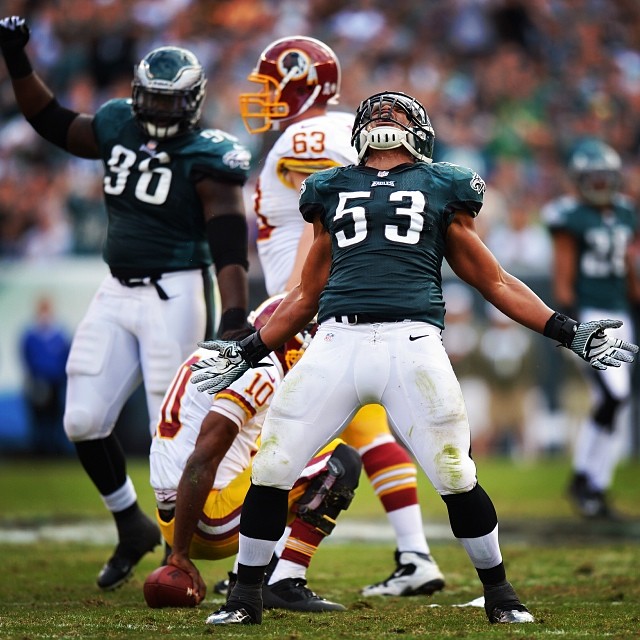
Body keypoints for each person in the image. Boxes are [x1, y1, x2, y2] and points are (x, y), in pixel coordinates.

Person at [189, 91, 638, 626]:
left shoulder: (442, 184)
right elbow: (305, 296)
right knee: (273, 465)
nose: (385, 117)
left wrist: (568, 332)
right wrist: (248, 351)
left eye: (397, 112)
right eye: (376, 111)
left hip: (413, 343)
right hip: (336, 342)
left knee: (454, 472)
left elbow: (492, 279)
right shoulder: (329, 188)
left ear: (419, 131)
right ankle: (245, 597)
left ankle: (500, 593)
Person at [0, 16, 252, 590]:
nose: (160, 112)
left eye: (171, 102)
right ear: (138, 95)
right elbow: (53, 121)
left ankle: (178, 552)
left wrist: (234, 313)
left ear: (191, 102)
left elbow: (228, 239)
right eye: (153, 100)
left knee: (174, 435)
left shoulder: (209, 154)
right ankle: (130, 525)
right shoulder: (116, 123)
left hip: (177, 293)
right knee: (83, 418)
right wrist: (17, 58)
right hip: (115, 290)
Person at [236, 34, 445, 598]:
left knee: (284, 441)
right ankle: (415, 555)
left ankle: (271, 569)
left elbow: (326, 216)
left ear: (303, 81)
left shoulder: (313, 134)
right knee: (367, 429)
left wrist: (298, 300)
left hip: (311, 307)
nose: (262, 96)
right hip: (327, 307)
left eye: (270, 84)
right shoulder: (332, 130)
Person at [150, 293, 361, 612]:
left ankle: (246, 574)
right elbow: (201, 459)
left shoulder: (223, 355)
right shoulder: (260, 369)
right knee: (338, 461)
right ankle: (282, 580)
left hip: (175, 511)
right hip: (202, 517)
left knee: (278, 450)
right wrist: (179, 554)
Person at [541, 139, 639, 519]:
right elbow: (562, 278)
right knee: (613, 398)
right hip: (591, 316)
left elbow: (629, 268)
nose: (599, 186)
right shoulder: (570, 216)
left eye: (604, 178)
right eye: (592, 179)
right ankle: (586, 479)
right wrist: (573, 328)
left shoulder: (627, 213)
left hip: (622, 314)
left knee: (614, 401)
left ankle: (593, 483)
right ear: (579, 180)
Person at [19, 295, 72, 456]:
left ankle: (54, 450)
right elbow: (26, 357)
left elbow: (65, 357)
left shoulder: (60, 335)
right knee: (38, 419)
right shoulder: (30, 335)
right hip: (37, 383)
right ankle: (38, 450)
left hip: (56, 383)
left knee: (55, 417)